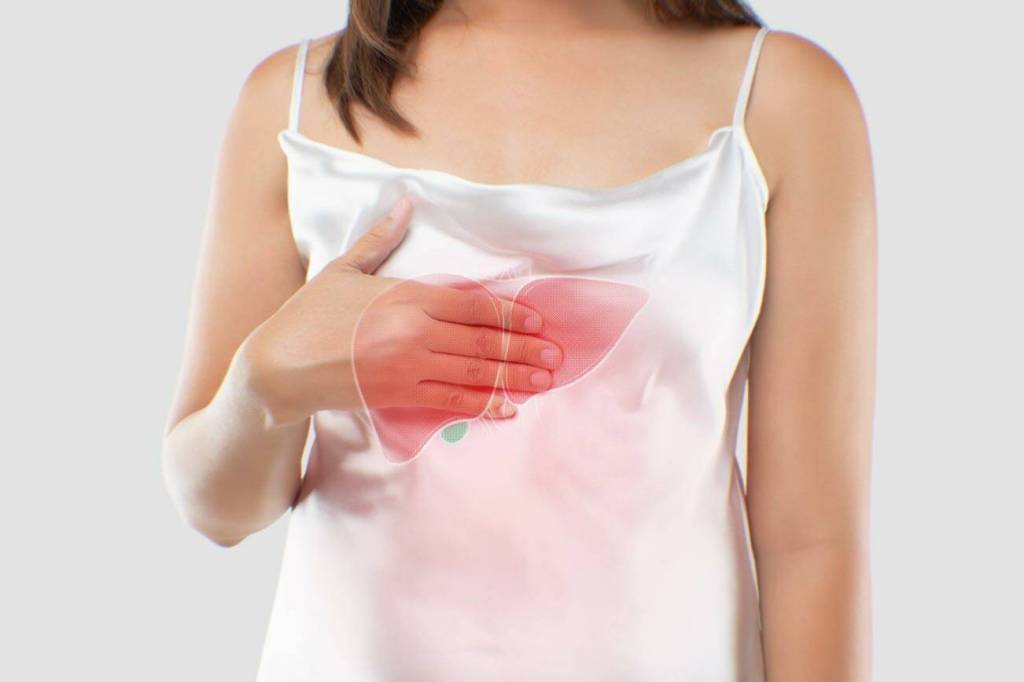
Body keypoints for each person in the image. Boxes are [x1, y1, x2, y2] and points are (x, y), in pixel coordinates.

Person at [162, 1, 876, 679]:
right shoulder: (293, 103)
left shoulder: (781, 100)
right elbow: (218, 510)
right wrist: (264, 382)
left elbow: (810, 541)